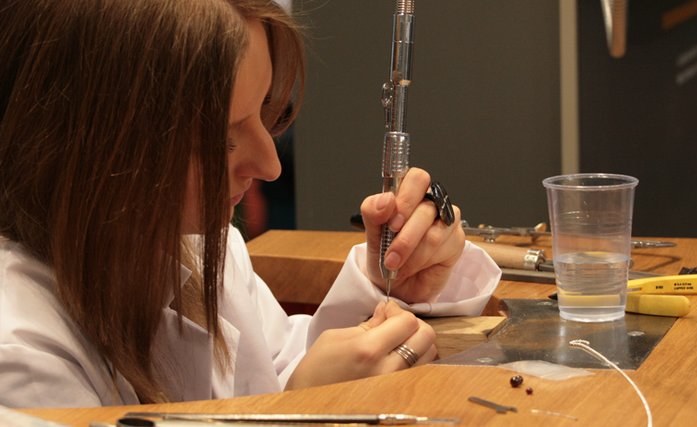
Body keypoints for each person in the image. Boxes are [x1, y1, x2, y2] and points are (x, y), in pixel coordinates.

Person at [0, 0, 501, 407]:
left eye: (264, 114)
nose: (270, 165)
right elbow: (287, 398)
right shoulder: (19, 353)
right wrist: (296, 417)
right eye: (221, 139)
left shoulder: (198, 250)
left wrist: (400, 286)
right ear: (87, 144)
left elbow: (282, 367)